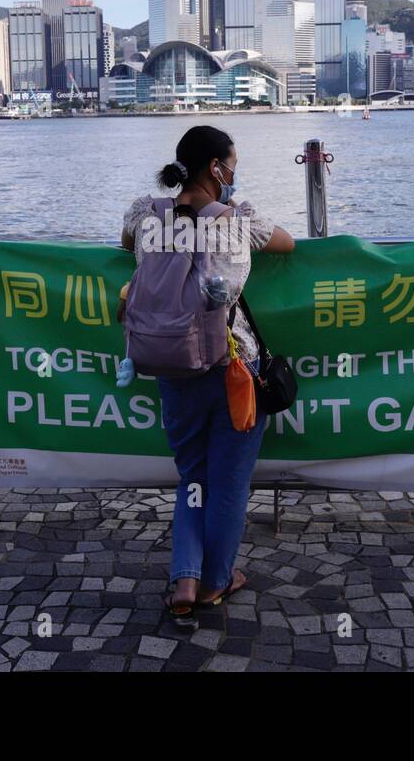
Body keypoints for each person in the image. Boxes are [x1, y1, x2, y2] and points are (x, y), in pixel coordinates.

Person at [121, 125, 294, 627]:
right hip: (234, 366)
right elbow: (287, 244)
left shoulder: (145, 213)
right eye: (233, 164)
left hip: (169, 365)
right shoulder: (239, 219)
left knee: (192, 477)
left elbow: (124, 241)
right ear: (217, 168)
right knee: (229, 483)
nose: (236, 173)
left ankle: (185, 581)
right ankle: (217, 581)